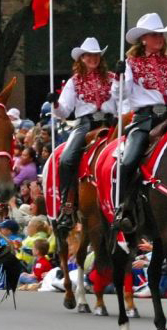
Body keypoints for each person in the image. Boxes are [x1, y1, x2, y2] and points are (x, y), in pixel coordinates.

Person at [115, 12, 167, 227]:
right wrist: (120, 77)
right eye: (154, 35)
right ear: (143, 39)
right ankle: (123, 207)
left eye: (161, 34)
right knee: (128, 161)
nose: (159, 38)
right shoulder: (131, 63)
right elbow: (123, 93)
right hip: (144, 119)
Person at [48, 37, 116, 233]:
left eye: (96, 55)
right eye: (88, 55)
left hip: (111, 123)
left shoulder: (112, 78)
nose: (92, 58)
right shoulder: (74, 82)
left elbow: (123, 100)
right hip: (85, 124)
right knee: (67, 159)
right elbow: (64, 111)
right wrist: (55, 104)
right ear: (82, 58)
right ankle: (67, 205)